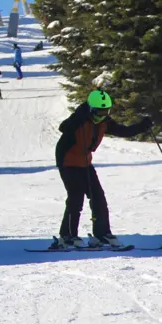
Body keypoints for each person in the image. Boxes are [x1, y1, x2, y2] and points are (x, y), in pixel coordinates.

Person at [54, 90, 152, 248]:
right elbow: (63, 127)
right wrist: (79, 117)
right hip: (68, 161)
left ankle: (102, 234)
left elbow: (122, 131)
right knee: (75, 197)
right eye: (99, 112)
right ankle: (67, 236)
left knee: (98, 197)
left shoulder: (104, 121)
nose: (102, 115)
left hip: (85, 162)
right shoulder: (79, 118)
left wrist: (142, 127)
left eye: (106, 112)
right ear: (91, 109)